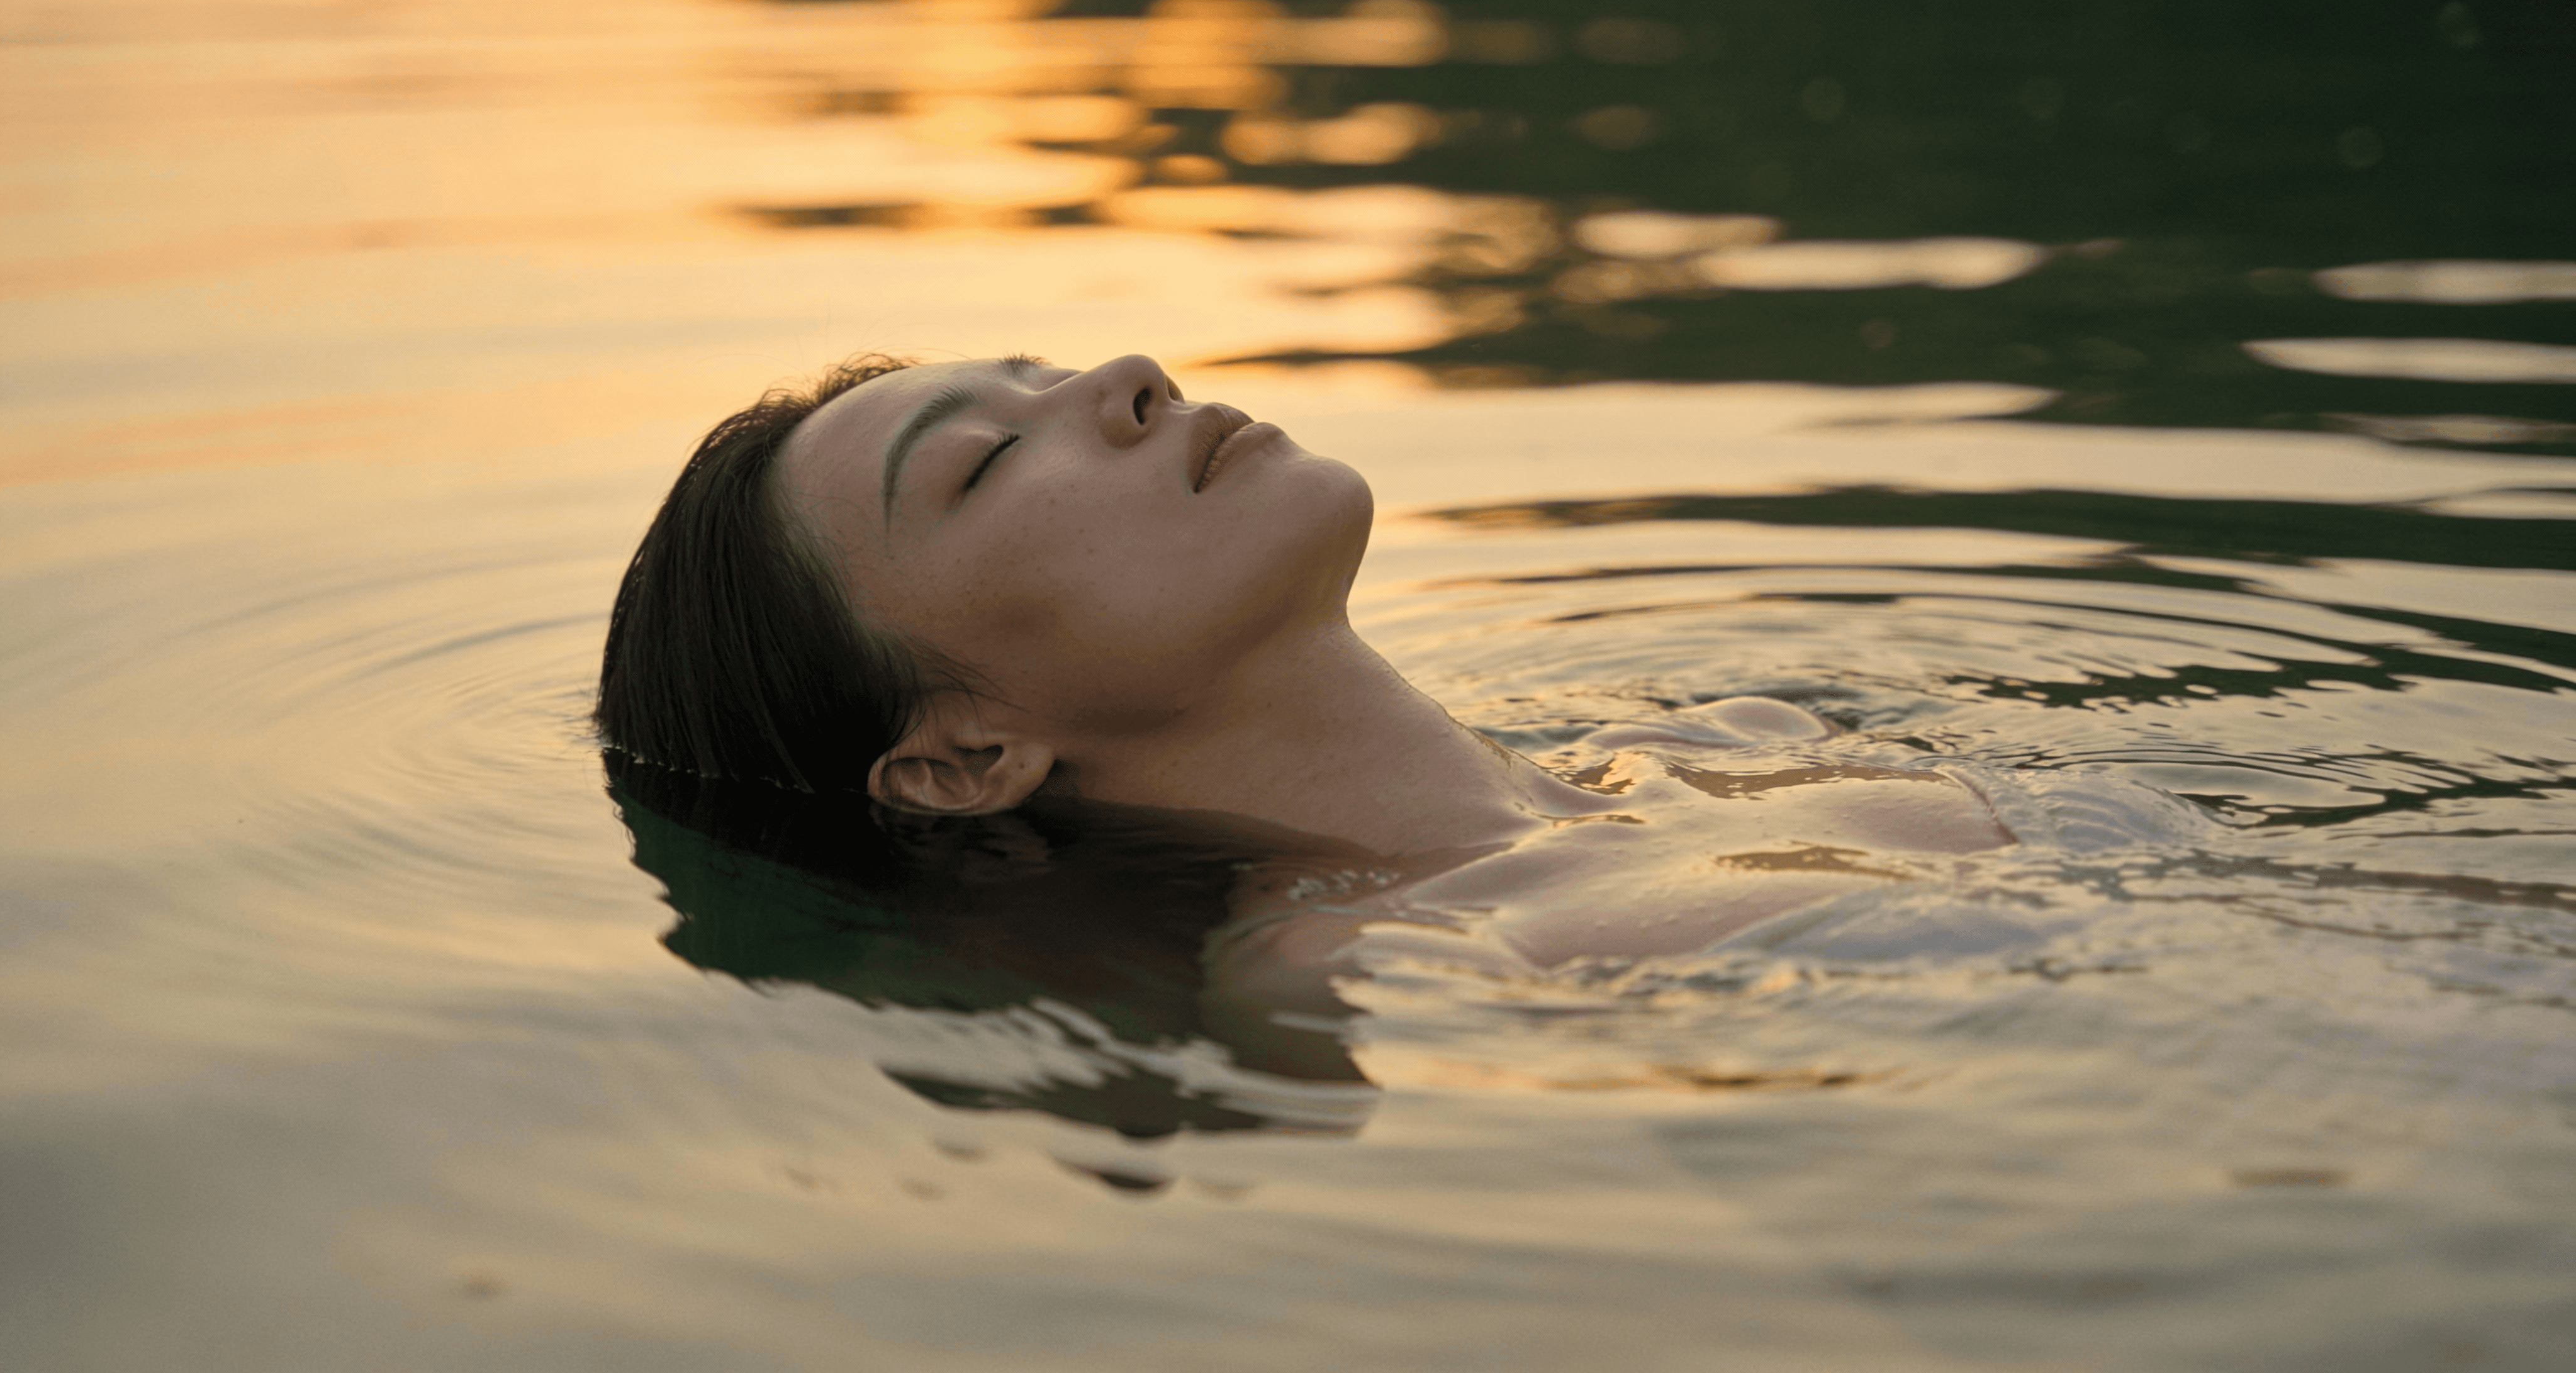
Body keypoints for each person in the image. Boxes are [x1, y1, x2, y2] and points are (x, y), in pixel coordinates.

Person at [596, 352, 2015, 1039]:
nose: (1130, 376)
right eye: (984, 461)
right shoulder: (1354, 975)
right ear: (966, 757)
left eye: (1050, 371)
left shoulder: (1721, 746)